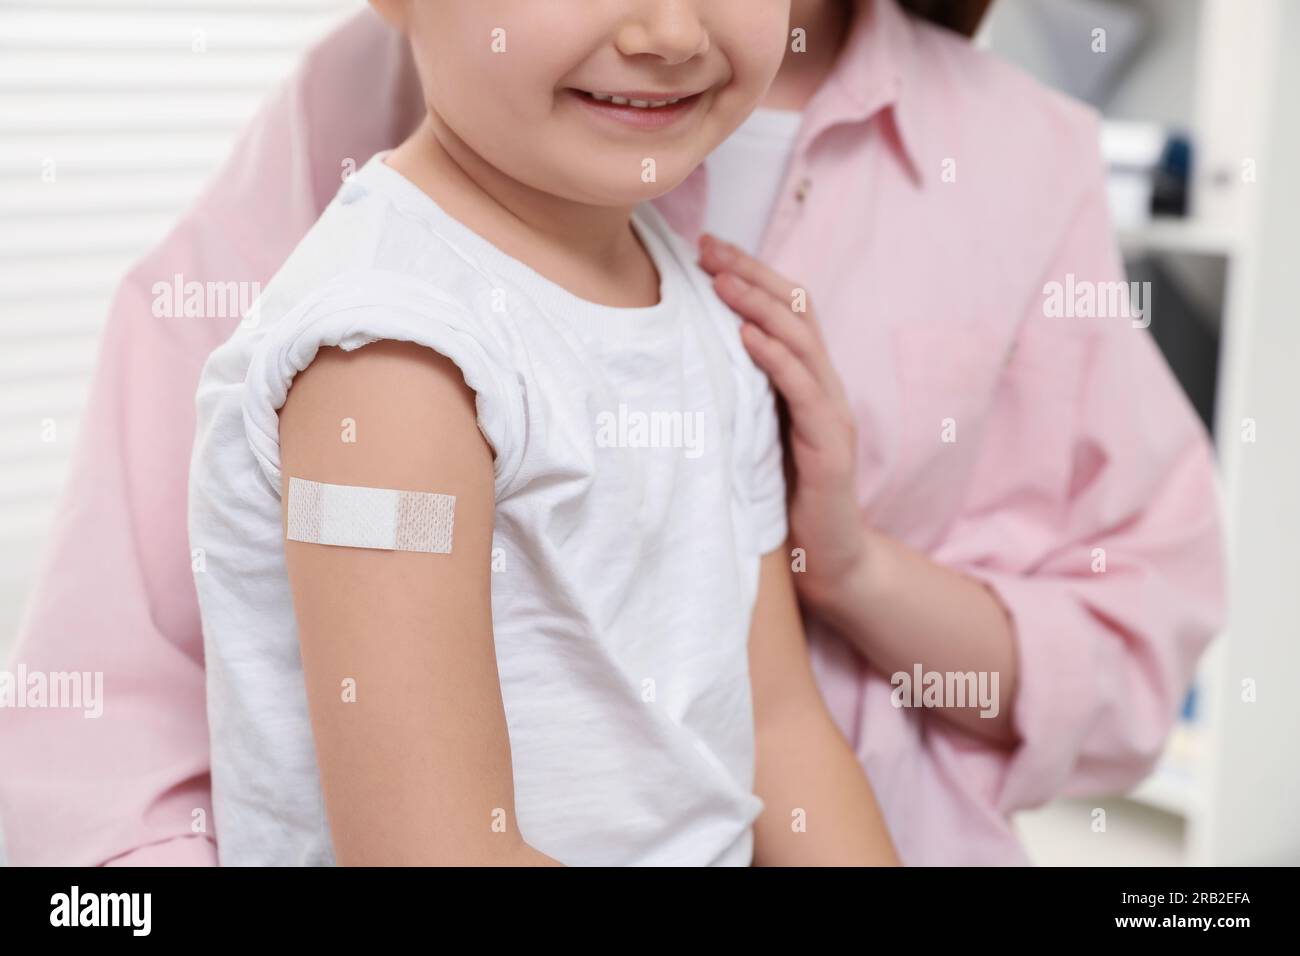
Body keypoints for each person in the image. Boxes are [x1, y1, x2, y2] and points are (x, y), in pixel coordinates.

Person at [0, 0, 1223, 867]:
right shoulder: (390, 358)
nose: (669, 31)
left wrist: (850, 566)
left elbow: (780, 728)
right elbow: (431, 847)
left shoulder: (688, 305)